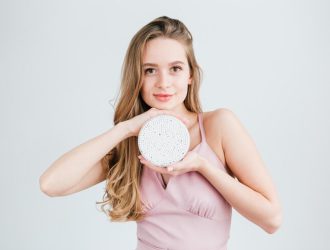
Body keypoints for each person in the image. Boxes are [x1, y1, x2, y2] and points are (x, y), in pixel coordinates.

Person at [39, 16, 282, 250]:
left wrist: (203, 167)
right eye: (150, 70)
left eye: (175, 68)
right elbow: (51, 184)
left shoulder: (218, 126)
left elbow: (271, 220)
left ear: (190, 75)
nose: (163, 82)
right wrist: (126, 128)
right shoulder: (132, 142)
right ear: (137, 77)